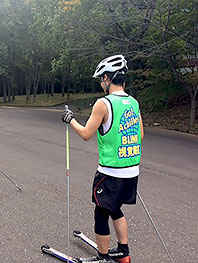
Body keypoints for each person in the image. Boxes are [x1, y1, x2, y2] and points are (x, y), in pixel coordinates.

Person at [62, 55, 144, 263]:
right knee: (115, 208)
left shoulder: (103, 103)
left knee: (101, 212)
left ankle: (103, 256)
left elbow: (86, 134)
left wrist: (70, 119)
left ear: (107, 78)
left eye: (101, 79)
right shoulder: (133, 102)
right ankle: (124, 251)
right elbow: (140, 135)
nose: (101, 83)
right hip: (131, 169)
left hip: (110, 171)